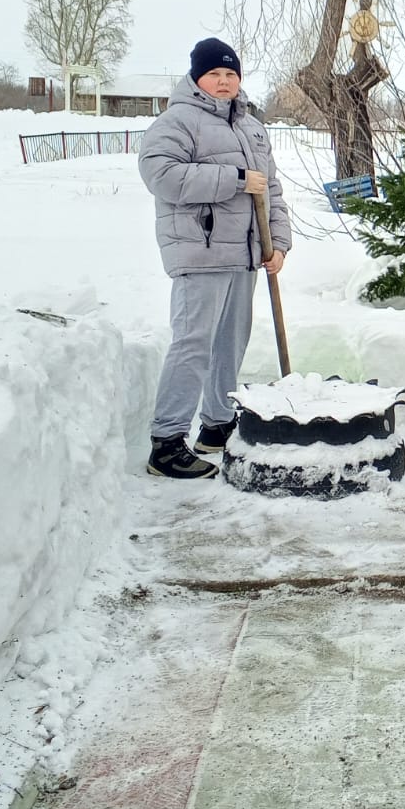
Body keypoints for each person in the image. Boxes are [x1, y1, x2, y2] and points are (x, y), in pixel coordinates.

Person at [138, 37, 290, 480]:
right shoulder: (177, 122)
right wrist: (235, 179)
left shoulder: (251, 127)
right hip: (200, 250)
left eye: (230, 74)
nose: (223, 82)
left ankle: (217, 425)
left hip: (244, 253)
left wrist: (277, 243)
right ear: (197, 78)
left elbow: (271, 191)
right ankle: (166, 444)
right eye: (214, 74)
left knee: (229, 344)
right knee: (193, 344)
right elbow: (161, 175)